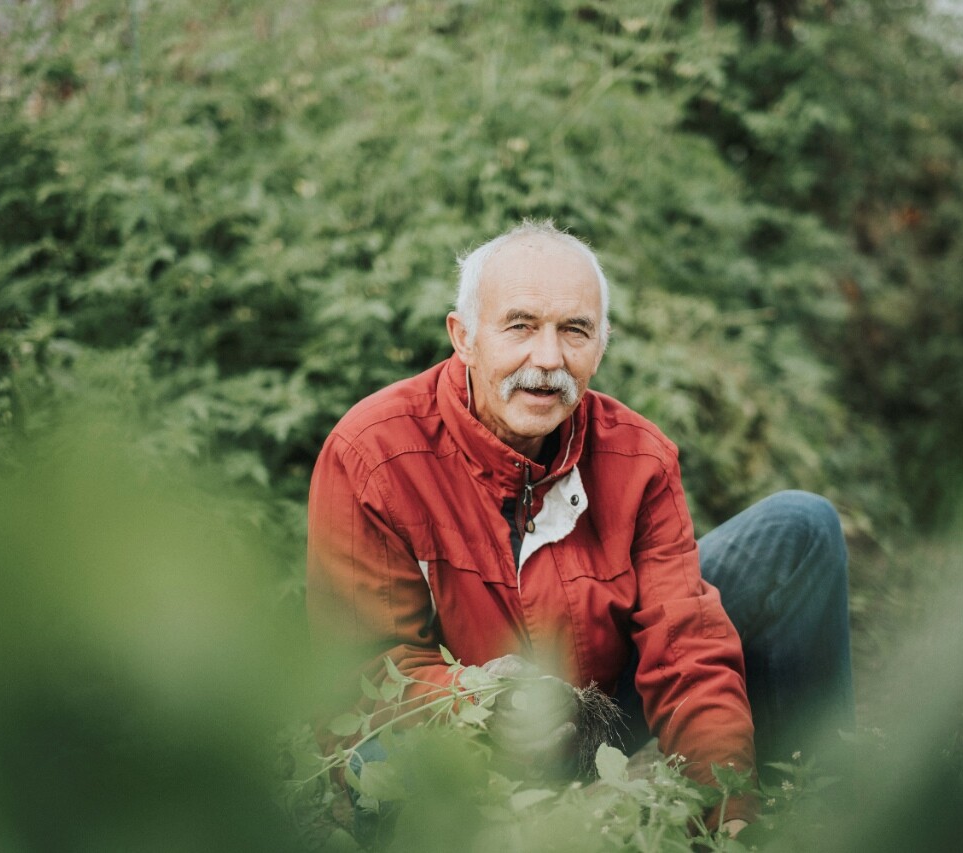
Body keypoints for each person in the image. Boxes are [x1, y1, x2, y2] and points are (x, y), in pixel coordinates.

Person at [306, 220, 853, 838]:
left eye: (574, 331)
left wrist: (733, 824)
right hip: (467, 734)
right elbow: (363, 669)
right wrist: (478, 699)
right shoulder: (373, 453)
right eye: (519, 326)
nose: (547, 358)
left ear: (601, 345)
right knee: (382, 755)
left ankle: (817, 815)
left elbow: (688, 652)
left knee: (800, 529)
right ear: (464, 338)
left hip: (600, 708)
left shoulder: (639, 458)